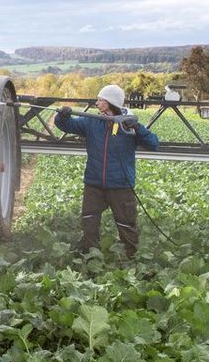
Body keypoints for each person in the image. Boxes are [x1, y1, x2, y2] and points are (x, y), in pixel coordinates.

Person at [54, 85, 160, 258]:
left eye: (100, 100)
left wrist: (138, 128)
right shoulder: (92, 122)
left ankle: (131, 257)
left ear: (111, 102)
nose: (97, 103)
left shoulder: (128, 124)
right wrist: (62, 117)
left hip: (120, 184)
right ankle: (91, 256)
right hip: (94, 183)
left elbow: (154, 144)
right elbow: (68, 125)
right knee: (89, 220)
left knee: (126, 223)